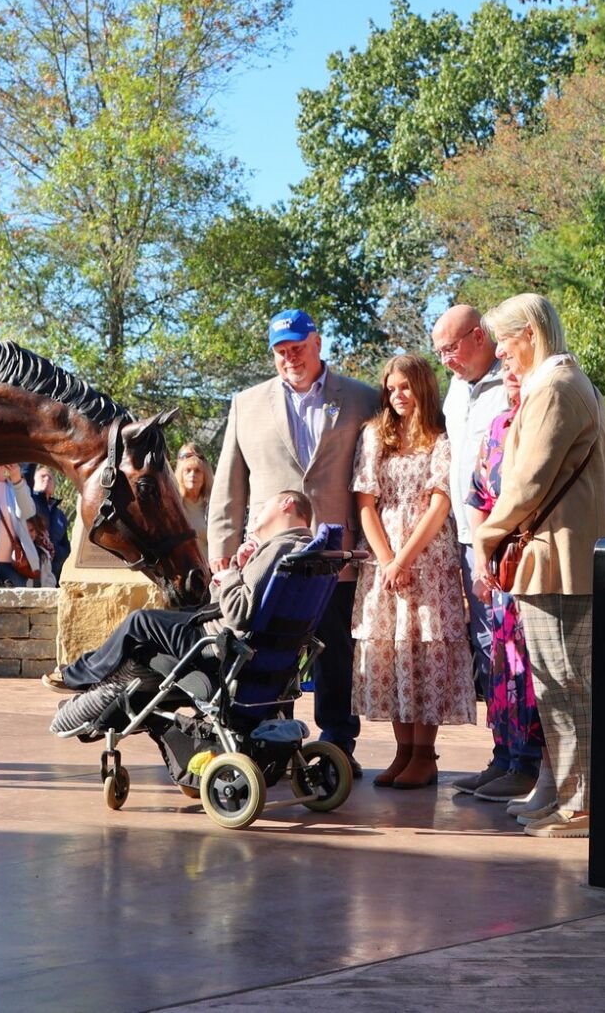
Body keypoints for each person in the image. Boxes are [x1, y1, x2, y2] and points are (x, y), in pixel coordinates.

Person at [474, 294, 605, 838]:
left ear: (530, 334)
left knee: (568, 685)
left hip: (564, 559)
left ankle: (582, 804)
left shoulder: (555, 387)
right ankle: (566, 794)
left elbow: (527, 483)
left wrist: (485, 539)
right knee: (556, 688)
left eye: (504, 342)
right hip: (555, 556)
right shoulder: (560, 383)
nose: (498, 354)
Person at [209, 309, 381, 770]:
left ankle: (338, 746)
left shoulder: (363, 400)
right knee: (270, 652)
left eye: (298, 349)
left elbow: (375, 478)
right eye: (281, 353)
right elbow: (229, 486)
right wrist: (222, 555)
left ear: (318, 343)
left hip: (333, 555)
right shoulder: (247, 404)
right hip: (266, 559)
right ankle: (272, 744)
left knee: (334, 652)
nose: (290, 359)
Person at [47, 490, 316, 736]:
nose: (257, 512)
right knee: (159, 625)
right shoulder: (304, 553)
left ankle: (77, 677)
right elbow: (235, 603)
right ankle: (91, 683)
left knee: (139, 623)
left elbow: (238, 613)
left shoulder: (277, 550)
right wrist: (241, 564)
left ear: (287, 504)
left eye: (264, 504)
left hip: (219, 645)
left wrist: (232, 574)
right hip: (251, 650)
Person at [351, 354, 476, 789]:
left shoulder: (441, 437)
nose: (397, 395)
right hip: (383, 556)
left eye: (405, 387)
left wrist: (406, 558)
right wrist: (387, 559)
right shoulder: (374, 435)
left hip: (427, 556)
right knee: (390, 649)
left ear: (422, 386)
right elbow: (365, 501)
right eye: (390, 387)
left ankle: (425, 754)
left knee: (424, 651)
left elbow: (441, 500)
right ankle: (402, 752)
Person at [430, 304, 509, 795]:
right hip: (465, 539)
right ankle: (503, 754)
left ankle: (528, 759)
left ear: (479, 337)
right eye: (439, 352)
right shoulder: (457, 390)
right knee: (487, 649)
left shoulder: (514, 383)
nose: (446, 362)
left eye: (451, 349)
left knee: (513, 649)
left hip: (505, 541)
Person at [465, 367, 544, 804]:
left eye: (521, 371)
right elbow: (478, 496)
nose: (512, 377)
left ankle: (530, 764)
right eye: (508, 373)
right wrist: (481, 562)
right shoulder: (498, 427)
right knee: (502, 663)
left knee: (533, 668)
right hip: (499, 565)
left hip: (534, 558)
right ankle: (504, 756)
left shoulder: (548, 421)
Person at [30, 465, 72, 586]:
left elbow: (65, 544)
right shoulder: (29, 503)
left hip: (54, 573)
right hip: (33, 569)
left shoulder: (59, 515)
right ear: (33, 481)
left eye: (50, 478)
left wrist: (58, 554)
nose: (47, 479)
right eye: (42, 476)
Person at [173, 444, 213, 540]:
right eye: (188, 470)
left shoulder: (211, 505)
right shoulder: (174, 505)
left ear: (205, 476)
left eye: (197, 471)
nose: (192, 475)